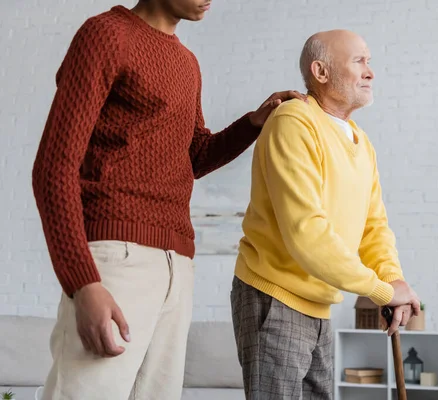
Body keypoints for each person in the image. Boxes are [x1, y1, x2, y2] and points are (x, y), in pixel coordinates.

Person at [31, 1, 306, 399]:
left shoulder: (187, 62)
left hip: (177, 264)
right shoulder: (106, 35)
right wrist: (83, 282)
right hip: (116, 259)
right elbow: (53, 169)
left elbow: (193, 156)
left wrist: (253, 123)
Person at [230, 29, 421, 399]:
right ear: (320, 72)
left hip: (319, 305)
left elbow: (374, 227)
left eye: (370, 62)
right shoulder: (293, 121)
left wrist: (392, 281)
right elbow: (307, 233)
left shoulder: (360, 142)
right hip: (275, 297)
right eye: (359, 61)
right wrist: (381, 290)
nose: (370, 72)